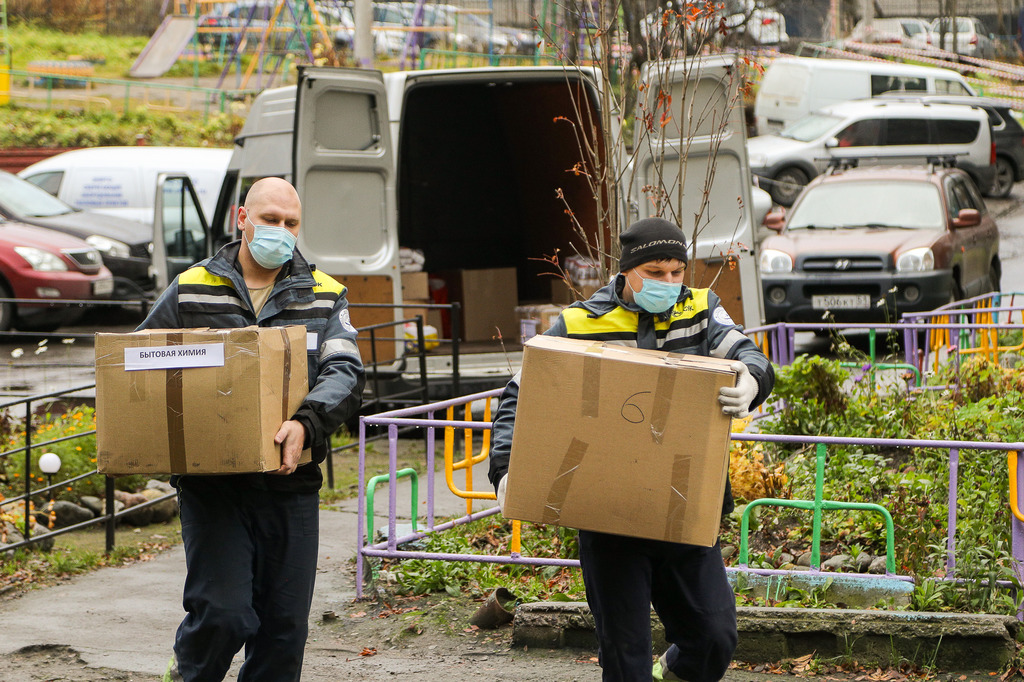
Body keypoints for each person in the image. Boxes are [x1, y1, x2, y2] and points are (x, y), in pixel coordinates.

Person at [488, 217, 774, 682]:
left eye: (677, 272)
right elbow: (520, 395)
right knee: (625, 657)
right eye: (656, 272)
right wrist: (504, 469)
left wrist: (752, 379)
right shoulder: (579, 323)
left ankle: (674, 670)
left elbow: (746, 351)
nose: (669, 283)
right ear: (627, 273)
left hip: (682, 511)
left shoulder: (700, 310)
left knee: (715, 638)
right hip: (608, 514)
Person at [139, 177, 365, 681]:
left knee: (283, 632)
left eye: (291, 224)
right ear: (243, 219)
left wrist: (307, 423)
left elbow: (345, 373)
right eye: (270, 220)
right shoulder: (192, 288)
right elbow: (139, 365)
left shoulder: (325, 295)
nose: (280, 232)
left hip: (291, 486)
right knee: (223, 614)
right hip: (212, 486)